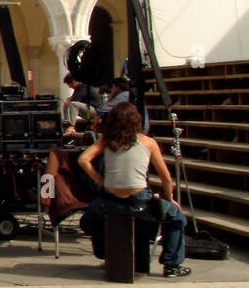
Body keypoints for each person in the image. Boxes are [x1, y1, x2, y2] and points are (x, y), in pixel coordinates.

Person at [78, 103, 189, 277]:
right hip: (140, 201)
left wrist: (100, 180)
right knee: (177, 218)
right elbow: (166, 178)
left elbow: (83, 159)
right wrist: (170, 198)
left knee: (89, 220)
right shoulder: (148, 142)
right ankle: (172, 265)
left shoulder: (106, 140)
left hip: (109, 201)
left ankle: (106, 254)